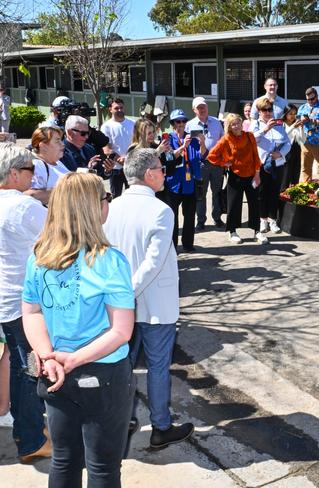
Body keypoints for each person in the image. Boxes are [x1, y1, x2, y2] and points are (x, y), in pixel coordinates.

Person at [22, 172, 136, 486]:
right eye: (106, 197)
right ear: (93, 208)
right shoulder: (110, 261)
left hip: (55, 372)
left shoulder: (39, 256)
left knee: (64, 460)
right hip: (103, 375)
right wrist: (67, 360)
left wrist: (49, 358)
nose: (108, 203)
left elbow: (30, 312)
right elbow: (121, 331)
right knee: (102, 468)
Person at [104, 148, 195, 450]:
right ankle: (160, 426)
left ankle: (123, 421)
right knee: (157, 367)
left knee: (124, 367)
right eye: (161, 167)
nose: (165, 172)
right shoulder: (161, 210)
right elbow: (153, 262)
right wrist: (129, 293)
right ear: (148, 174)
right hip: (151, 304)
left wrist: (121, 296)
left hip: (121, 305)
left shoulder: (113, 206)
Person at [0, 142, 50, 459]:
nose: (34, 176)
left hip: (5, 295)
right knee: (27, 369)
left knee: (21, 363)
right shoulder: (22, 206)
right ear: (13, 173)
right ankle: (31, 438)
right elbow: (59, 234)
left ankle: (29, 428)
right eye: (29, 170)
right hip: (22, 298)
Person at [207, 113, 263, 244]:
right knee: (233, 205)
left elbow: (256, 156)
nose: (236, 126)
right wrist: (224, 163)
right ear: (229, 126)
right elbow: (212, 156)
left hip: (251, 175)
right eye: (233, 124)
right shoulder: (226, 139)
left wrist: (257, 174)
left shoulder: (249, 136)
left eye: (238, 122)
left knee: (255, 204)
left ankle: (257, 231)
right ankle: (232, 231)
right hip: (235, 176)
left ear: (242, 122)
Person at [159, 108, 204, 252]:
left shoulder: (192, 138)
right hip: (173, 183)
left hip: (189, 183)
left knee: (190, 216)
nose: (181, 124)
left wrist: (202, 143)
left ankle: (188, 244)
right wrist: (183, 147)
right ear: (173, 123)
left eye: (183, 121)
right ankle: (172, 245)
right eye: (178, 121)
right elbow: (168, 158)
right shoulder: (168, 139)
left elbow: (202, 156)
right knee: (172, 217)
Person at [251, 97, 291, 236]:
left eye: (270, 110)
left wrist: (280, 153)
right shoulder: (255, 124)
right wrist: (266, 129)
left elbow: (287, 143)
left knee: (274, 192)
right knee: (262, 193)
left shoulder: (279, 124)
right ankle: (263, 220)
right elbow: (252, 139)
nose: (268, 113)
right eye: (265, 110)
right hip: (261, 164)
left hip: (277, 163)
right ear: (259, 111)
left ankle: (273, 220)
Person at [186, 96, 225, 230]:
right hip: (199, 165)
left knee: (217, 191)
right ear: (194, 110)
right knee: (201, 193)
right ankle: (201, 220)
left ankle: (217, 217)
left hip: (216, 163)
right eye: (199, 107)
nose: (202, 109)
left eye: (204, 106)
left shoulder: (216, 122)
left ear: (207, 107)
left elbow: (223, 140)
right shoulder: (189, 125)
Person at [101, 98, 135, 198]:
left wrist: (128, 159)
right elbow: (106, 149)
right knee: (116, 197)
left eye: (121, 108)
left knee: (132, 197)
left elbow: (137, 144)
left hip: (131, 167)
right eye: (116, 108)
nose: (120, 110)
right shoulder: (106, 127)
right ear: (110, 109)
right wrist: (119, 160)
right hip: (115, 169)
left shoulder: (133, 124)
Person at [29, 126, 68, 206]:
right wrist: (67, 189)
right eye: (57, 141)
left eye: (61, 140)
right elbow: (32, 196)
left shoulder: (58, 162)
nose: (63, 144)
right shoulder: (37, 165)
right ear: (43, 146)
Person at [281, 103, 302, 190]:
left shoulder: (296, 124)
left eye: (294, 114)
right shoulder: (281, 124)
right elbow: (283, 136)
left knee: (295, 177)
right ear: (285, 114)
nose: (293, 116)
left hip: (296, 151)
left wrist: (302, 128)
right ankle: (282, 199)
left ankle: (293, 197)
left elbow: (302, 141)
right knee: (285, 178)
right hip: (285, 153)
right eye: (290, 113)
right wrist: (294, 126)